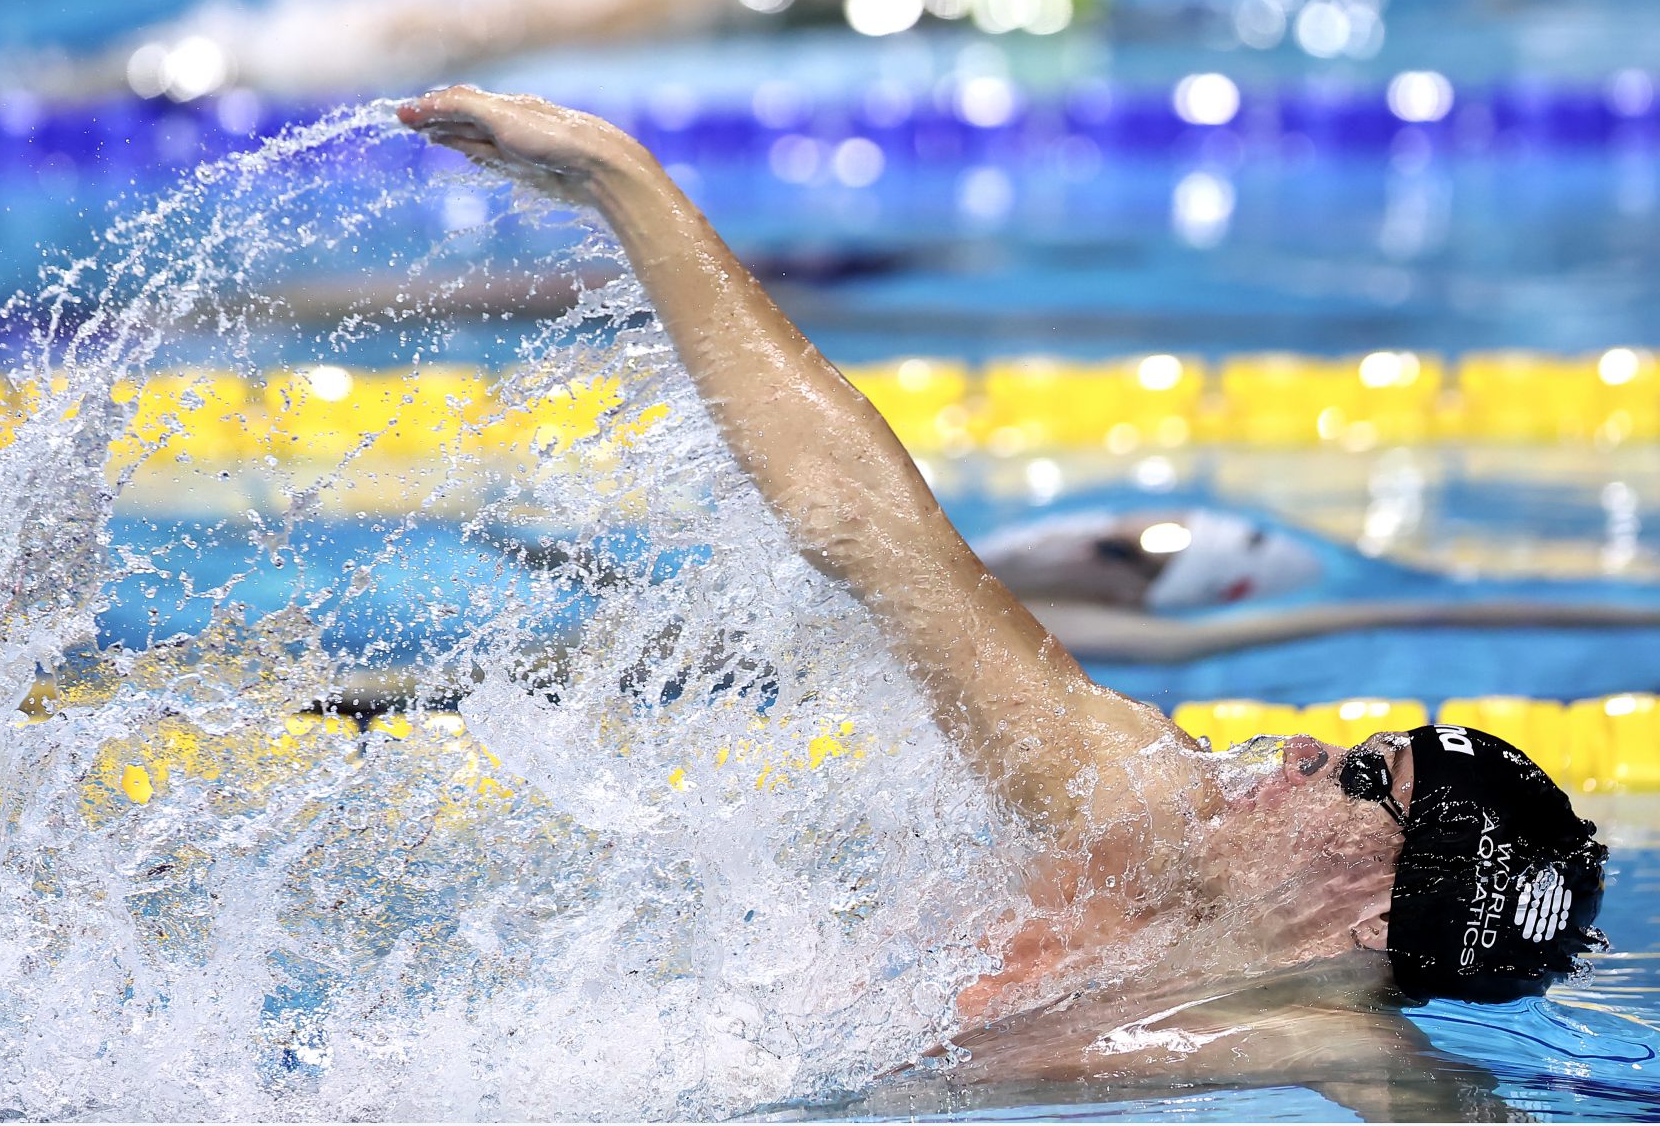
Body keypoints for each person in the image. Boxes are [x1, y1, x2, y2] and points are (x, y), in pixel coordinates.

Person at [397, 87, 1609, 1112]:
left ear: (1376, 910)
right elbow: (856, 525)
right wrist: (625, 179)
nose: (1302, 743)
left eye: (1357, 777)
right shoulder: (1134, 810)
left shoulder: (1358, 1063)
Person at [973, 507, 1660, 663]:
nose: (1073, 537)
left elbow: (1179, 646)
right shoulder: (1041, 554)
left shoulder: (1021, 614)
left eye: (1113, 548)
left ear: (1127, 595)